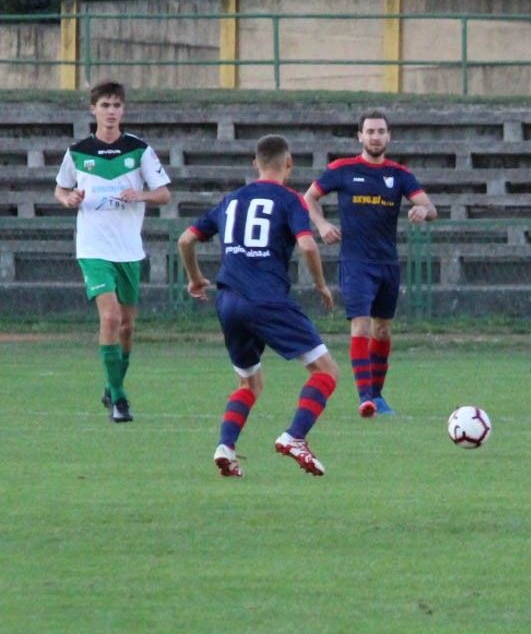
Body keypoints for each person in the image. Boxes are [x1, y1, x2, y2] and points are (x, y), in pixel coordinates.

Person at [178, 135, 338, 478]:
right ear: (289, 163)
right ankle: (295, 437)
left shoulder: (230, 200)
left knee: (249, 383)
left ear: (255, 163)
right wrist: (321, 285)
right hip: (267, 300)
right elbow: (308, 247)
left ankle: (226, 447)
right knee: (326, 372)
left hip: (228, 300)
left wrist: (194, 278)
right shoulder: (292, 199)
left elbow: (186, 239)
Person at [303, 110, 437, 418]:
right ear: (360, 136)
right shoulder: (342, 169)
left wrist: (422, 211)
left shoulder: (399, 174)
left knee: (382, 331)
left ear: (389, 137)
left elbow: (429, 207)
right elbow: (308, 198)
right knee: (360, 325)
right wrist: (322, 225)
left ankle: (377, 395)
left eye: (381, 131)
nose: (375, 137)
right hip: (355, 263)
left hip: (387, 263)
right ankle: (365, 397)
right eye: (370, 131)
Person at [54, 80, 172, 423]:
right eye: (105, 105)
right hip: (93, 247)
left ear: (123, 110)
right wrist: (69, 198)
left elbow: (163, 193)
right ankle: (119, 400)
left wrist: (141, 196)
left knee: (127, 328)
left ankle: (112, 384)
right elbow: (61, 189)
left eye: (116, 105)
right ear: (93, 109)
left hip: (128, 249)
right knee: (110, 317)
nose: (111, 111)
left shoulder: (139, 150)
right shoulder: (78, 151)